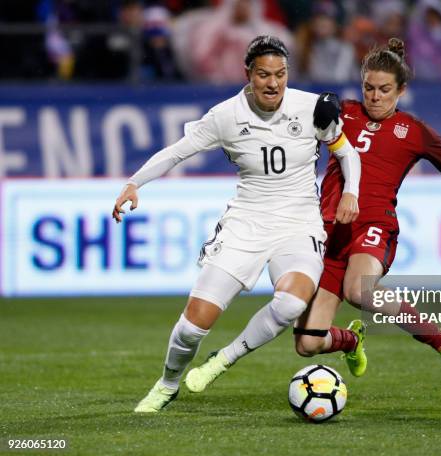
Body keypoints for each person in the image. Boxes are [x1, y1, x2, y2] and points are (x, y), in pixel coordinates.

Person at [189, 38, 441, 391]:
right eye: (369, 88)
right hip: (326, 233)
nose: (375, 97)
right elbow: (284, 112)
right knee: (308, 344)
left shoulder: (415, 132)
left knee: (361, 289)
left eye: (384, 90)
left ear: (401, 90)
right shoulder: (342, 113)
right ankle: (351, 342)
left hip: (373, 226)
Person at [112, 35, 361, 413]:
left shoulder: (312, 108)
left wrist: (351, 192)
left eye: (280, 74)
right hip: (245, 223)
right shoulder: (225, 116)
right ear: (249, 74)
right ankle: (168, 384)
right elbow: (177, 152)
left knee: (292, 302)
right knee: (193, 326)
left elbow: (347, 153)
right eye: (264, 75)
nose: (273, 83)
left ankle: (223, 360)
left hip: (299, 224)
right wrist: (134, 183)